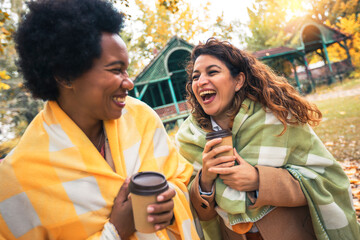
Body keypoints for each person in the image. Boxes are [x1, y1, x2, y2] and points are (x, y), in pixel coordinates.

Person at [0, 0, 200, 239]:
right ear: (66, 76)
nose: (129, 83)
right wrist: (115, 232)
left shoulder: (142, 118)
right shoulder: (17, 179)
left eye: (126, 70)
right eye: (116, 70)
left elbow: (179, 179)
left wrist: (169, 206)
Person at [176, 38, 360, 240]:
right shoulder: (188, 138)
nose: (201, 81)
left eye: (212, 72)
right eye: (195, 76)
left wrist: (258, 180)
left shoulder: (279, 119)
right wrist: (205, 181)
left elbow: (329, 182)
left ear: (238, 81)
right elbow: (195, 214)